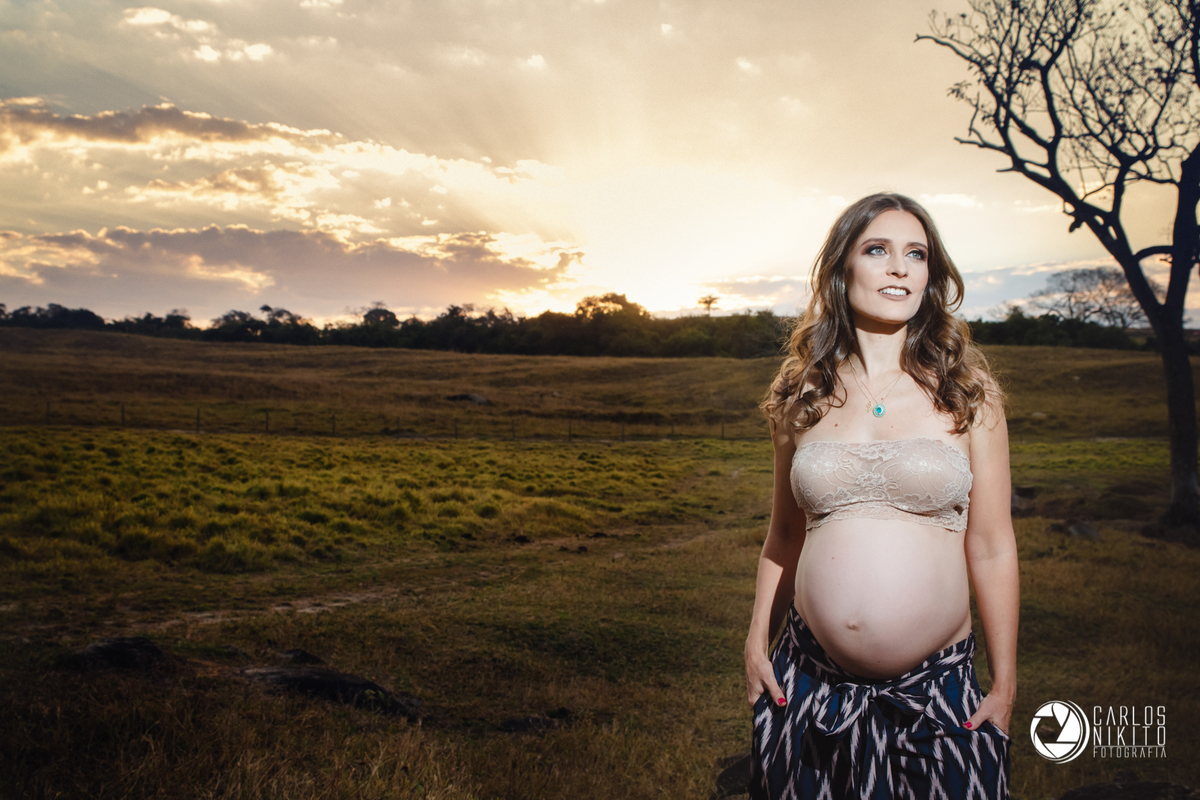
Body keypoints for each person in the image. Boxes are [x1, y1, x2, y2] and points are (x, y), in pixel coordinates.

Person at [744, 193, 1017, 799]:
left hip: (938, 695)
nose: (900, 267)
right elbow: (784, 535)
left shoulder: (969, 393)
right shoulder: (801, 395)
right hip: (807, 686)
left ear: (930, 274)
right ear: (842, 269)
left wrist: (1004, 682)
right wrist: (755, 640)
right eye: (878, 250)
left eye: (916, 254)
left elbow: (994, 545)